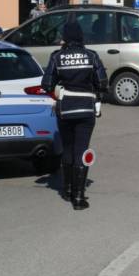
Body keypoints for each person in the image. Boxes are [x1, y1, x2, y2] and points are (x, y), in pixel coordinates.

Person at [41, 21, 108, 210]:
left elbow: (45, 84)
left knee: (68, 149)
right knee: (82, 150)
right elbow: (103, 82)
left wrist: (59, 87)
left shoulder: (57, 57)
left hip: (66, 109)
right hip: (86, 110)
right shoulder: (91, 56)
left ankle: (67, 190)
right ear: (81, 36)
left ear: (65, 37)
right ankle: (78, 198)